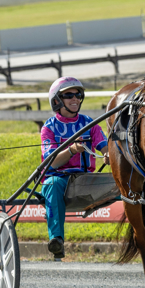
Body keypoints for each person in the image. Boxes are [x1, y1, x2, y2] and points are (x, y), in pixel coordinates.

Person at [40, 77, 109, 260]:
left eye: (78, 95)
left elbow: (104, 146)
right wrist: (71, 150)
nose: (75, 99)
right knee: (53, 184)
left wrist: (108, 154)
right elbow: (52, 162)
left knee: (120, 181)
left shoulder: (89, 123)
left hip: (85, 180)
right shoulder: (48, 128)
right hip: (59, 180)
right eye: (68, 95)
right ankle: (57, 240)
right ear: (57, 100)